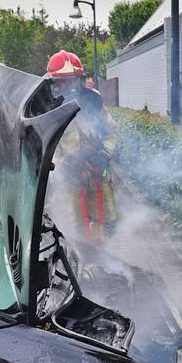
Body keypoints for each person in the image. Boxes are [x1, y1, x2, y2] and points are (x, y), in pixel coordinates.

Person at [48, 51, 117, 244]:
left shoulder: (94, 104)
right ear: (53, 84)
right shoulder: (49, 111)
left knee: (102, 224)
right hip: (67, 183)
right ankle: (75, 265)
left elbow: (112, 132)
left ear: (79, 80)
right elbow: (45, 149)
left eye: (71, 80)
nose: (67, 87)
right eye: (62, 81)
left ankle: (100, 261)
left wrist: (105, 153)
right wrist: (64, 164)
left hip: (97, 176)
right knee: (70, 228)